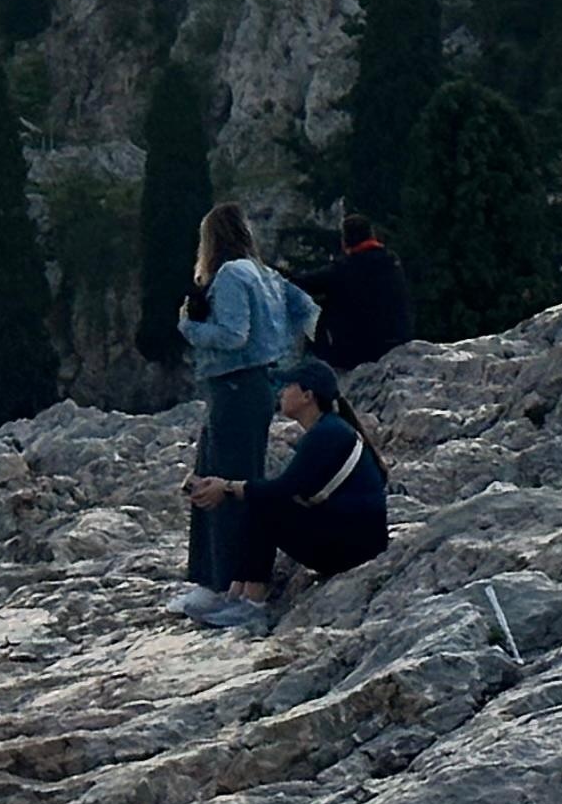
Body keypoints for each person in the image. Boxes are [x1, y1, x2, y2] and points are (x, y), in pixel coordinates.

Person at [170, 202, 316, 616]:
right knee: (224, 477)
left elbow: (233, 335)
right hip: (252, 383)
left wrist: (189, 326)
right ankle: (218, 580)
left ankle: (224, 584)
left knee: (222, 484)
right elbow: (306, 311)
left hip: (235, 384)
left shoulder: (232, 274)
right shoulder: (264, 274)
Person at [182, 359, 392, 631]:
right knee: (260, 500)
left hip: (353, 549)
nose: (280, 392)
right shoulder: (330, 430)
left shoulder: (327, 434)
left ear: (308, 396)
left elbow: (285, 490)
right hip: (356, 540)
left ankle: (252, 605)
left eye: (287, 385)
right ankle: (237, 594)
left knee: (265, 504)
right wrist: (231, 488)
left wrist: (228, 487)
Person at [298, 212, 417, 370]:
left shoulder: (343, 269)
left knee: (317, 310)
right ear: (372, 235)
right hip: (398, 342)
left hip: (359, 353)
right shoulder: (391, 261)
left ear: (344, 241)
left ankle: (316, 370)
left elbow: (302, 283)